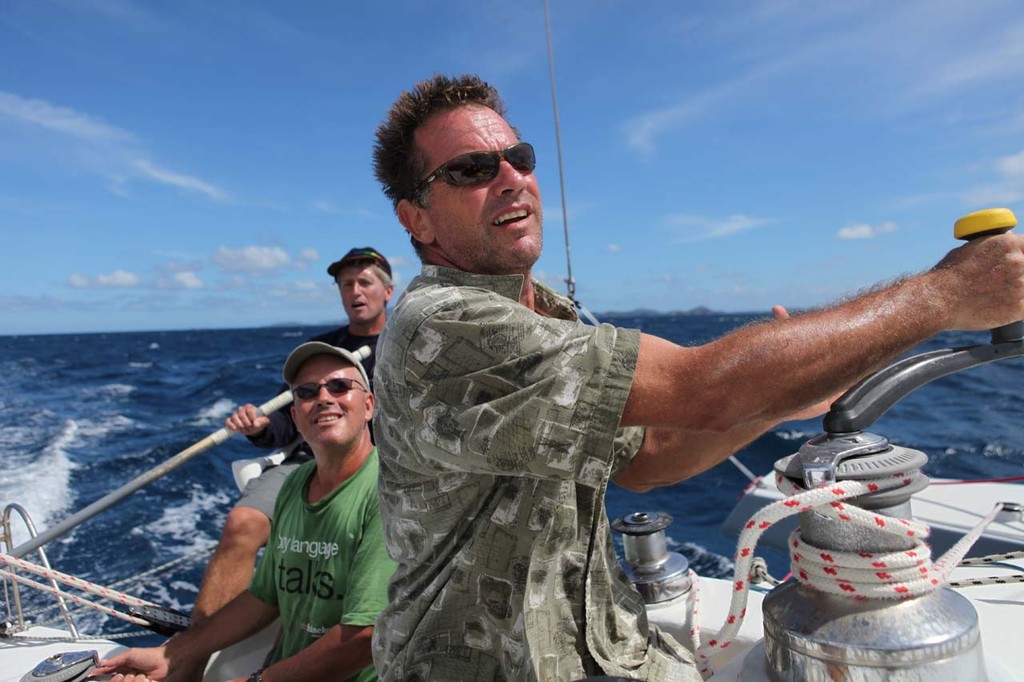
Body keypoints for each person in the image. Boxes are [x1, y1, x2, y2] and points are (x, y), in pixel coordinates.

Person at [367, 73, 1024, 681]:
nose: (511, 178)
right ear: (416, 216)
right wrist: (946, 297)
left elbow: (651, 458)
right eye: (474, 170)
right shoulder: (442, 325)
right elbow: (702, 390)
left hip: (594, 649)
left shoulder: (550, 319)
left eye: (520, 157)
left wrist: (782, 399)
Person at [95, 342, 395, 682]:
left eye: (340, 386)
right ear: (295, 417)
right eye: (307, 392)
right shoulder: (294, 485)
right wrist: (174, 652)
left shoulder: (386, 493)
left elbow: (364, 637)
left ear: (369, 405)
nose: (324, 398)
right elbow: (263, 597)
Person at [192, 247, 393, 625]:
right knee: (243, 523)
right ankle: (196, 646)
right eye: (346, 284)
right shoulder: (318, 352)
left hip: (382, 466)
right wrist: (262, 426)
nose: (355, 292)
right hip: (309, 463)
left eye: (364, 282)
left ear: (388, 292)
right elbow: (287, 421)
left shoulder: (412, 346)